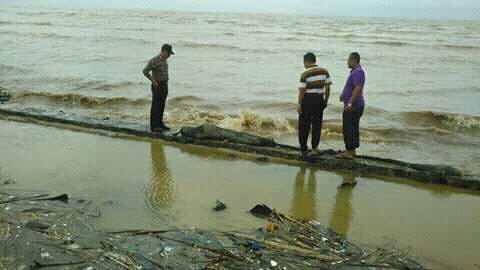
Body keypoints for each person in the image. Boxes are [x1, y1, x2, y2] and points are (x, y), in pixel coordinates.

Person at [297, 52, 332, 156]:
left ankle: (304, 148)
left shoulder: (305, 74)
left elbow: (302, 91)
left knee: (304, 124)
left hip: (308, 100)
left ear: (306, 61)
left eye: (304, 62)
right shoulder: (324, 71)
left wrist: (299, 104)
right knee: (317, 124)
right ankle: (314, 148)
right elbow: (328, 87)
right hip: (319, 99)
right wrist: (326, 100)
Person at [337, 52, 365, 159]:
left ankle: (348, 152)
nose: (347, 62)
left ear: (353, 60)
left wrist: (350, 102)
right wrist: (343, 95)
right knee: (352, 128)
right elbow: (351, 87)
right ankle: (351, 151)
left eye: (348, 60)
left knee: (348, 128)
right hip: (354, 104)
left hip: (354, 105)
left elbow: (358, 88)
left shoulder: (358, 72)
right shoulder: (355, 71)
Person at [142, 44, 175, 132]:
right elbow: (145, 71)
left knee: (162, 105)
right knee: (155, 106)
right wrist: (153, 80)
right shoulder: (154, 60)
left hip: (164, 84)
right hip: (157, 85)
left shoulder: (165, 60)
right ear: (164, 51)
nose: (169, 56)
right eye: (168, 54)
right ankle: (154, 126)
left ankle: (160, 123)